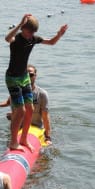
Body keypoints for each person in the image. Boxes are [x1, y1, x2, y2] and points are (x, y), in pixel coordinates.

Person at [5, 14, 68, 151]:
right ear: (23, 29)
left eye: (33, 33)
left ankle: (24, 139)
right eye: (29, 32)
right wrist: (20, 23)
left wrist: (59, 34)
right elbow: (7, 38)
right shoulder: (16, 39)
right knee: (20, 110)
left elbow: (51, 42)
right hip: (12, 78)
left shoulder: (33, 39)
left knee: (30, 109)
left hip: (24, 77)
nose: (31, 35)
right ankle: (13, 142)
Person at [0, 64, 52, 144]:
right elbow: (8, 102)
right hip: (19, 128)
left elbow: (45, 117)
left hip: (36, 127)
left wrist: (48, 137)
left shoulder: (42, 94)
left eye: (31, 75)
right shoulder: (17, 91)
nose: (28, 77)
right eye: (26, 75)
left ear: (35, 76)